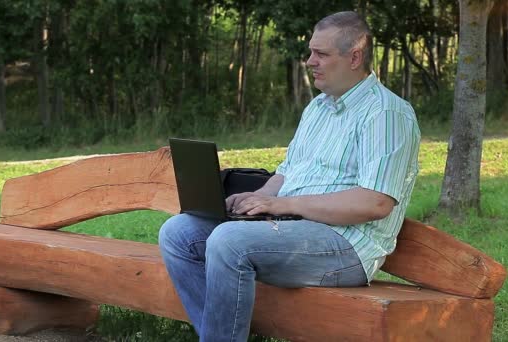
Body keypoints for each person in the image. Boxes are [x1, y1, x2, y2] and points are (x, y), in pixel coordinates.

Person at [159, 11, 420, 342]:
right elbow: (288, 171)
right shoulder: (318, 108)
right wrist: (259, 198)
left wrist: (284, 205)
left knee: (229, 241)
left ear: (355, 57)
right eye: (311, 51)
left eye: (321, 54)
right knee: (178, 232)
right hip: (290, 229)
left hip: (345, 245)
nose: (310, 61)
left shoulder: (386, 113)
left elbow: (375, 202)